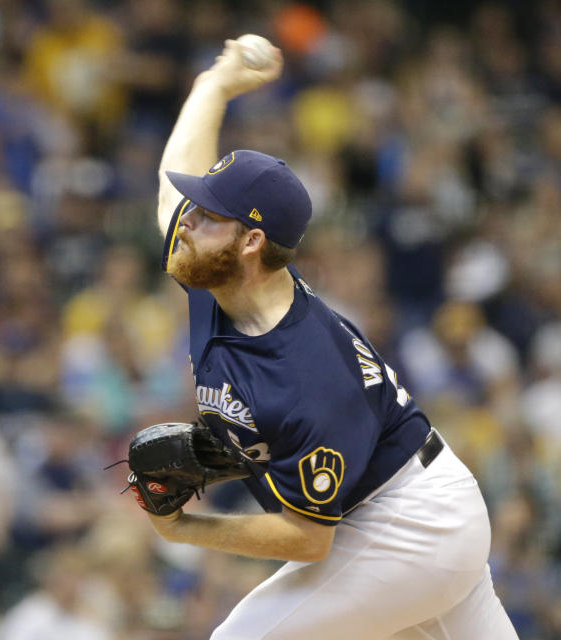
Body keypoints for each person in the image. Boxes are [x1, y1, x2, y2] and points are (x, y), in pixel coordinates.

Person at [135, 36, 519, 639]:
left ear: (252, 243)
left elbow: (308, 540)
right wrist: (216, 84)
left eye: (207, 215)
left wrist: (187, 529)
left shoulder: (308, 375)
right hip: (415, 505)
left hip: (407, 525)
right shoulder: (217, 275)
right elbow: (167, 190)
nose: (186, 222)